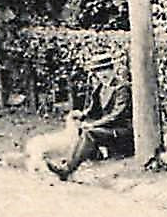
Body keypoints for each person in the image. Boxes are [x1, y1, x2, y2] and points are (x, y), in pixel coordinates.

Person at [47, 49, 134, 180]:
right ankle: (83, 158)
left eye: (105, 69)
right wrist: (81, 115)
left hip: (123, 132)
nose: (102, 74)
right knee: (82, 128)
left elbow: (117, 115)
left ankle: (67, 169)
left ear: (112, 69)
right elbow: (93, 109)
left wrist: (93, 124)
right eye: (98, 71)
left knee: (89, 132)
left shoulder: (122, 87)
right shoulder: (100, 88)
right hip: (108, 128)